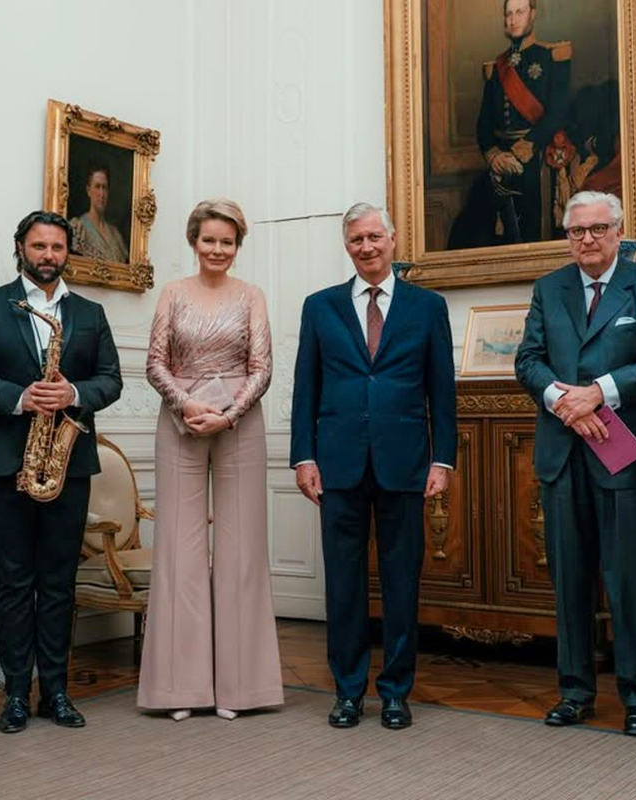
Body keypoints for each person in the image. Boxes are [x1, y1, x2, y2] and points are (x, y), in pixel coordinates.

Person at [0, 210, 123, 734]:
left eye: (57, 248)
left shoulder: (89, 312)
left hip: (67, 462)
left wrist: (73, 394)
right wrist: (19, 397)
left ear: (68, 252)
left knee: (59, 580)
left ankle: (58, 693)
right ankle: (16, 694)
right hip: (3, 461)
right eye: (39, 246)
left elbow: (109, 380)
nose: (48, 256)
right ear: (21, 247)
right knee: (15, 580)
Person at [514, 190, 636, 737]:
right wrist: (566, 402)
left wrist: (599, 393)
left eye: (598, 229)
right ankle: (575, 693)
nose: (587, 239)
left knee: (631, 580)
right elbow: (529, 361)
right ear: (567, 236)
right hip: (565, 453)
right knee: (570, 579)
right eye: (577, 231)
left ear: (618, 231)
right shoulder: (549, 288)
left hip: (627, 458)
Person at [290, 202, 457, 730]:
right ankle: (347, 691)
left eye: (374, 237)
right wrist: (304, 456)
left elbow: (441, 393)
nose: (367, 247)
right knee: (342, 586)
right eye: (357, 239)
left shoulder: (427, 308)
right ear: (347, 247)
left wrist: (443, 459)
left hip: (405, 464)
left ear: (393, 239)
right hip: (337, 465)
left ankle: (395, 692)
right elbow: (305, 388)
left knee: (402, 583)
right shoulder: (320, 307)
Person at [137, 198, 284, 720]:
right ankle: (180, 690)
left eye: (227, 241)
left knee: (242, 549)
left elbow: (262, 367)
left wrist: (229, 414)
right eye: (209, 240)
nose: (217, 249)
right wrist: (186, 403)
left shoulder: (252, 296)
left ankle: (243, 690)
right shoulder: (172, 294)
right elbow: (155, 363)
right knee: (180, 549)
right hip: (179, 422)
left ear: (237, 246)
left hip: (240, 423)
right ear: (193, 242)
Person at [449, 0, 571, 248]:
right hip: (502, 162)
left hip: (539, 156)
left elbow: (560, 112)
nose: (513, 19)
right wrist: (493, 156)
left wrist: (529, 145)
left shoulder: (551, 57)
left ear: (533, 15)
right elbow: (484, 125)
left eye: (519, 12)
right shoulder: (496, 68)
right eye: (508, 14)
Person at [69, 161, 130, 263]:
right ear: (88, 190)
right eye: (97, 187)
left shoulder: (116, 235)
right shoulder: (78, 228)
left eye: (104, 188)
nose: (101, 194)